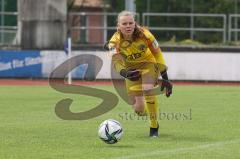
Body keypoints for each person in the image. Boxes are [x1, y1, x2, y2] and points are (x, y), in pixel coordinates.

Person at [104, 10, 173, 137]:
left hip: (149, 64)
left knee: (147, 89)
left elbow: (157, 54)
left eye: (131, 23)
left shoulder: (145, 35)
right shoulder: (114, 41)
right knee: (139, 110)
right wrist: (125, 73)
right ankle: (149, 112)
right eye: (124, 24)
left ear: (135, 23)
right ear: (118, 26)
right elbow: (116, 62)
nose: (128, 26)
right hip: (131, 70)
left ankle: (154, 127)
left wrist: (165, 78)